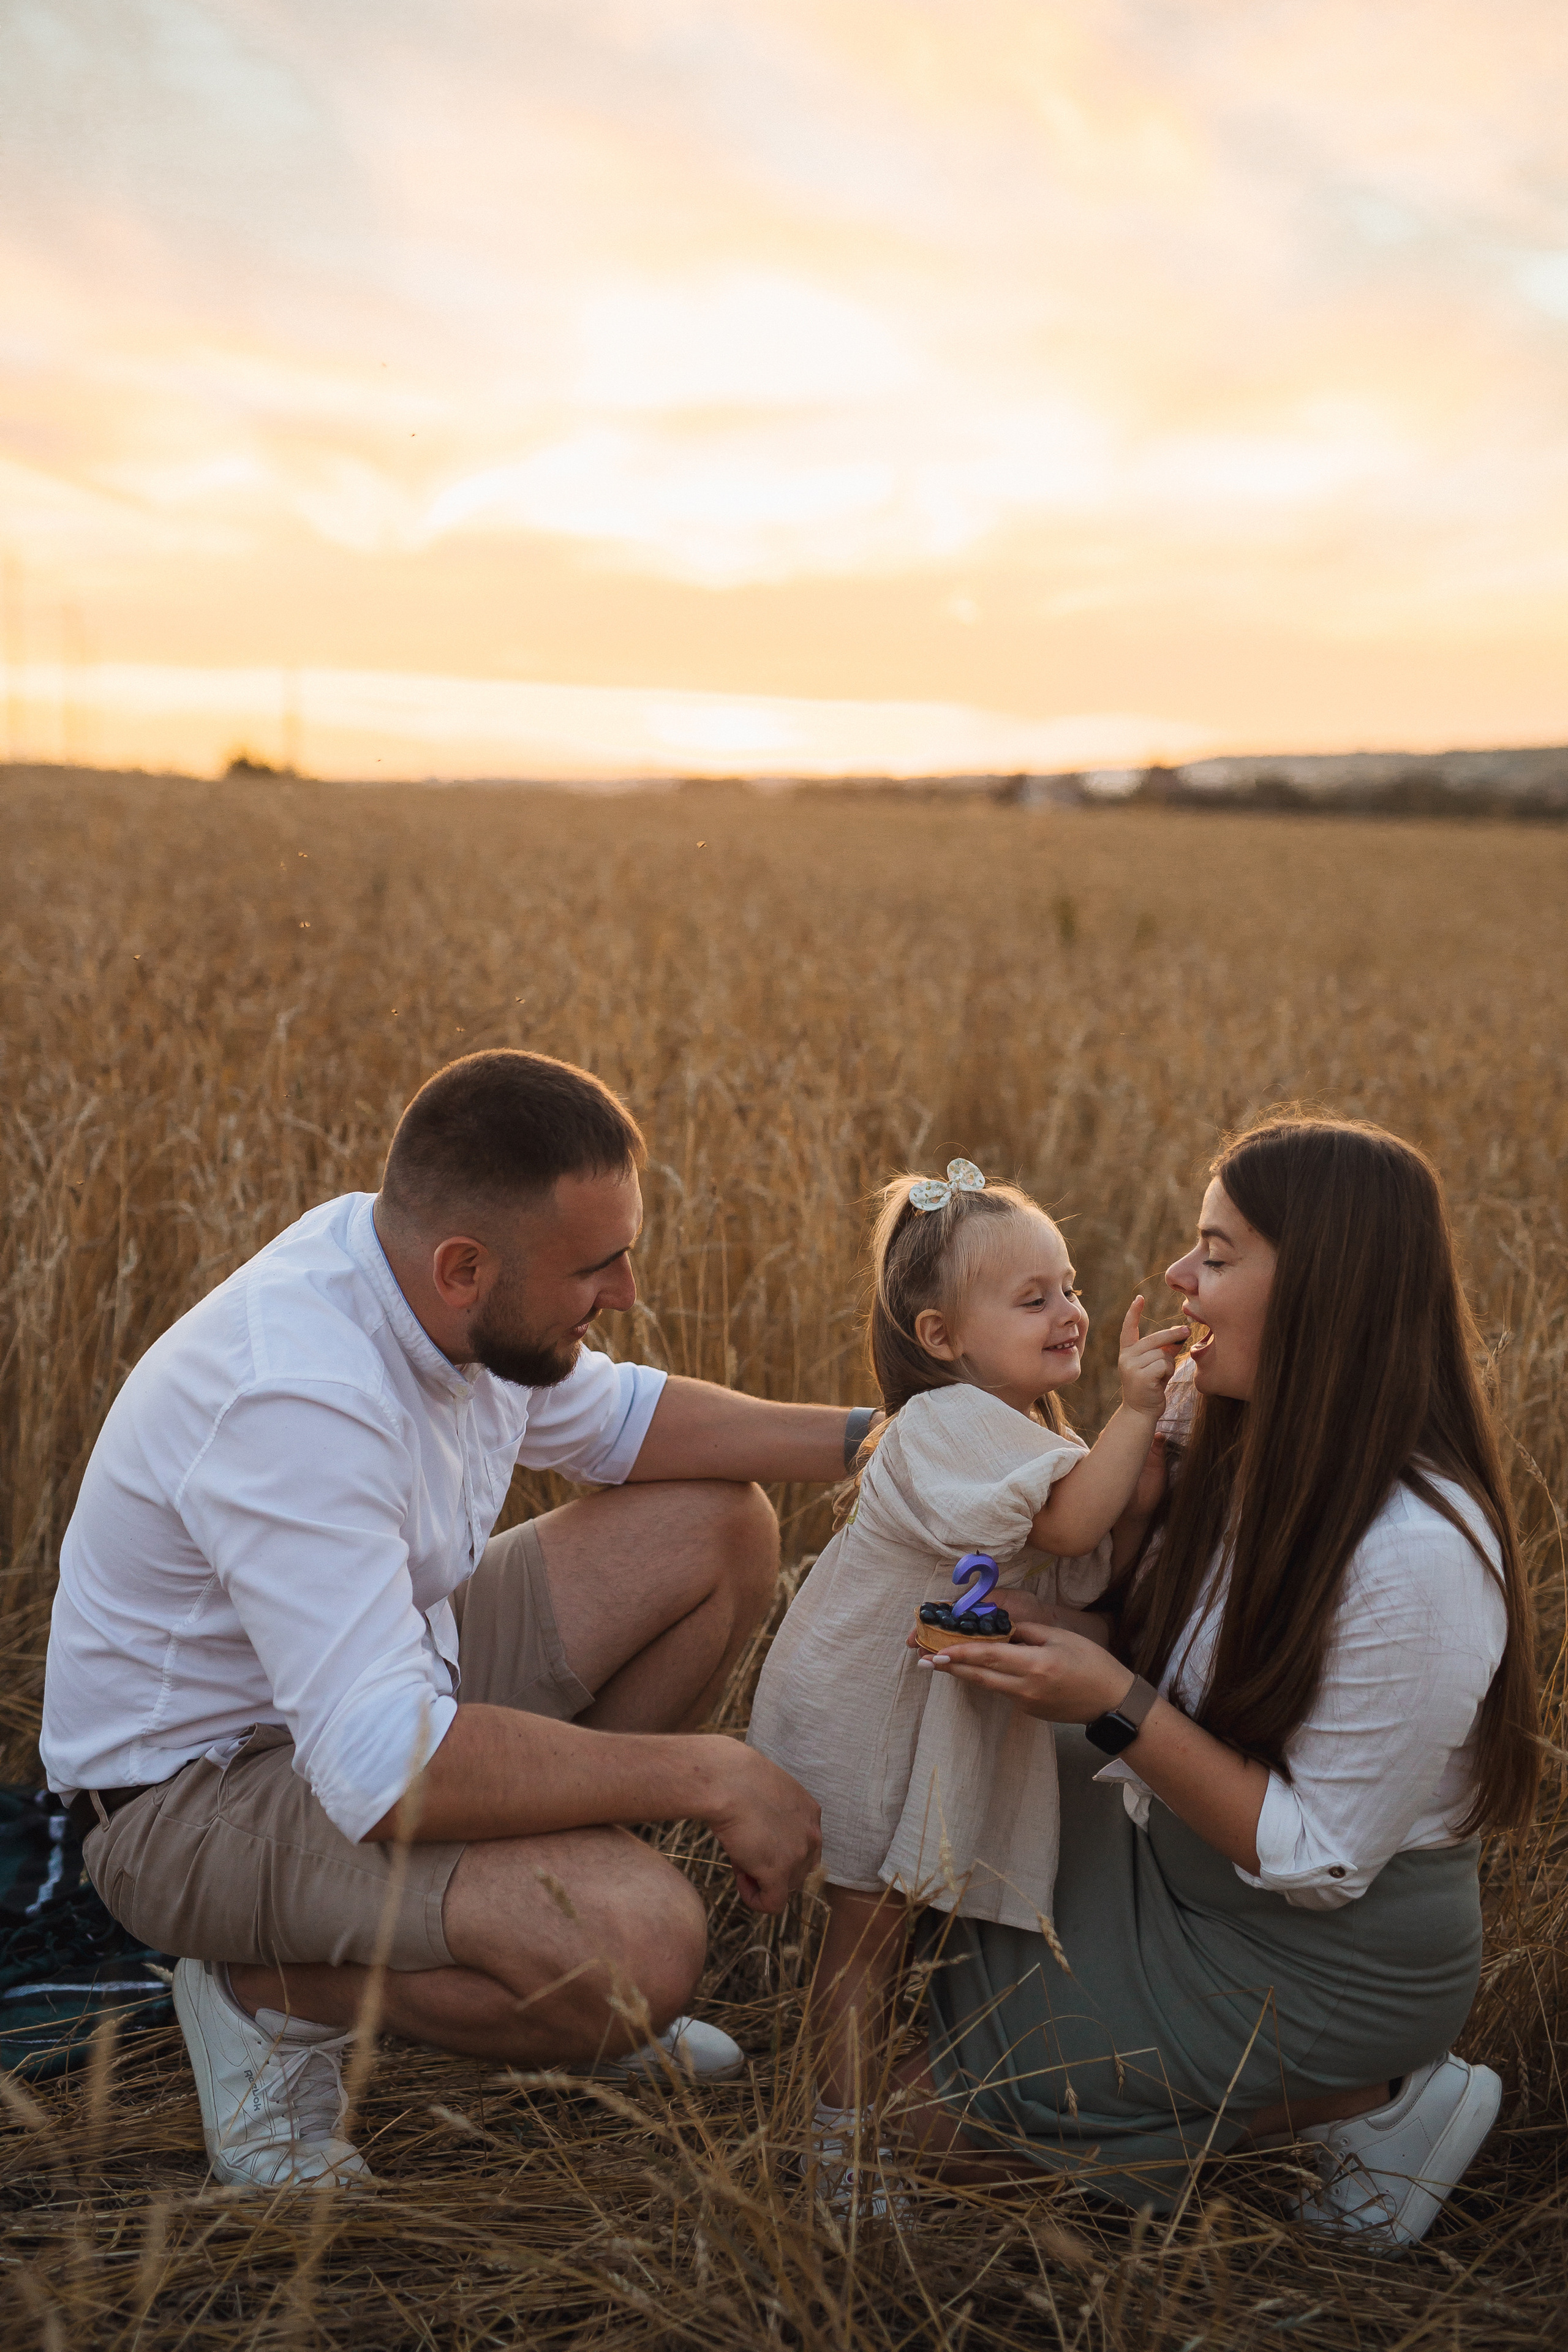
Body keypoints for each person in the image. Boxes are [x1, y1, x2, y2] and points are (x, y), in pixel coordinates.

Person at [40, 1049, 858, 2190]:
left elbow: (620, 1421)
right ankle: (258, 1997)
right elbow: (385, 1770)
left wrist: (883, 1442)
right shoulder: (300, 1395)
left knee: (718, 1528)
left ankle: (558, 1956)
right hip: (195, 1799)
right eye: (598, 1267)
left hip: (389, 1686)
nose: (624, 1292)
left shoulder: (425, 1278)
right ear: (466, 1267)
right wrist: (712, 1775)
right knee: (645, 1948)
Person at [890, 1115, 1539, 2249]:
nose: (1181, 1278)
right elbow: (1165, 1635)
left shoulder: (1419, 1555)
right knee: (937, 1765)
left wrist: (1109, 1700)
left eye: (1221, 1257)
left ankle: (1364, 2101)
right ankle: (1260, 2106)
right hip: (1175, 1841)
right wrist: (1065, 1631)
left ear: (1326, 1291)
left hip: (1313, 1951)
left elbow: (1323, 1858)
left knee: (919, 2134)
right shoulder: (1222, 1415)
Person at [746, 1159, 1183, 2162]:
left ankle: (876, 2093)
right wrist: (1136, 1412)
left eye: (1069, 1287)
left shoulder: (1020, 1427)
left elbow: (1077, 1570)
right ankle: (839, 2143)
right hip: (864, 1713)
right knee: (867, 1933)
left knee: (897, 1925)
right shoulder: (946, 1425)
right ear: (941, 1340)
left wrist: (1136, 1463)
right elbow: (1072, 1532)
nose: (1067, 1311)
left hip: (915, 1703)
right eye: (1033, 1299)